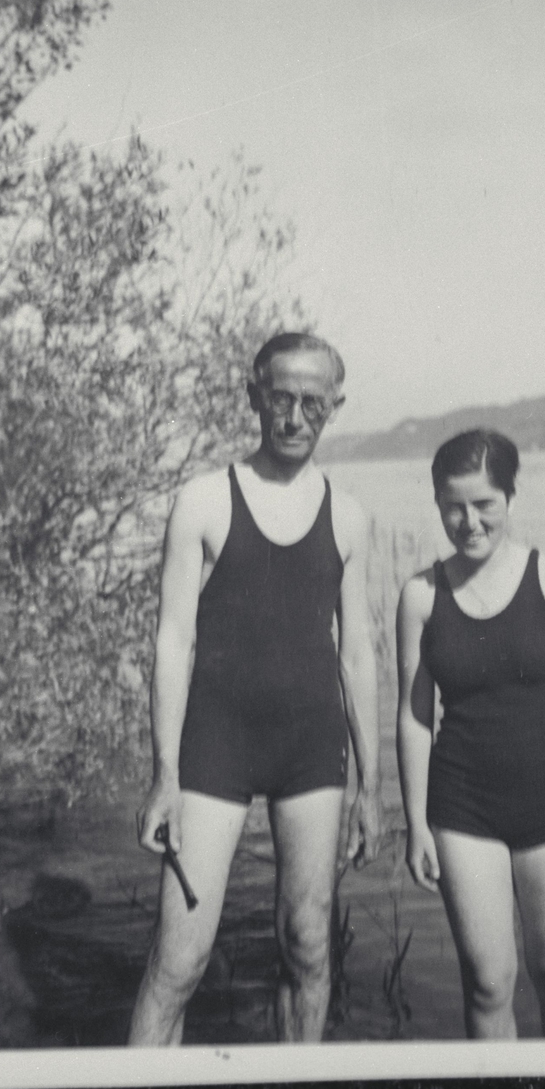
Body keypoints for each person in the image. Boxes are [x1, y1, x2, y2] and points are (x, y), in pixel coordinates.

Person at [128, 331, 383, 1046]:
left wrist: (374, 787)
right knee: (178, 962)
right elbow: (171, 642)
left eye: (312, 403)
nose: (295, 417)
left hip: (311, 751)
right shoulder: (204, 501)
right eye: (281, 399)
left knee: (307, 946)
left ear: (334, 405)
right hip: (215, 747)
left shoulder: (349, 515)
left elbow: (358, 654)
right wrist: (163, 774)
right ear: (252, 396)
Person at [396, 429, 545, 1039]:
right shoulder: (420, 595)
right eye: (452, 505)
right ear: (438, 503)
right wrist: (416, 822)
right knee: (490, 982)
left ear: (510, 499)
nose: (468, 521)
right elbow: (414, 718)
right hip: (461, 807)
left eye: (483, 504)